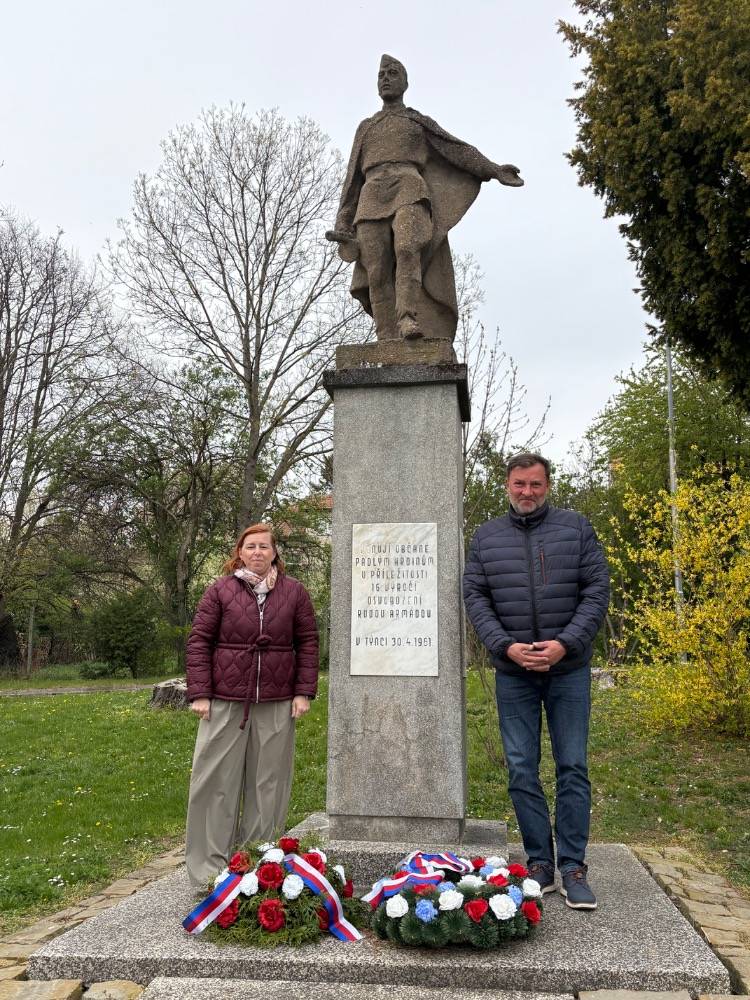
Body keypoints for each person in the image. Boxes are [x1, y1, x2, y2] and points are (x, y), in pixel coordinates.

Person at [462, 453, 609, 909]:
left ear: (548, 486)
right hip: (513, 672)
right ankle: (539, 863)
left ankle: (573, 867)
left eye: (536, 485)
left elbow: (596, 589)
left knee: (572, 766)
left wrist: (565, 643)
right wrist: (504, 645)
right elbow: (475, 594)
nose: (527, 492)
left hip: (568, 669)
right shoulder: (487, 537)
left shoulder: (576, 528)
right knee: (522, 768)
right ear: (507, 484)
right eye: (520, 484)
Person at [326, 54, 523, 341]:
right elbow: (352, 179)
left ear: (405, 83)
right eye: (381, 74)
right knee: (377, 268)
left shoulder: (417, 122)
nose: (385, 78)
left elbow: (457, 149)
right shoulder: (366, 127)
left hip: (409, 187)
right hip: (371, 195)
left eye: (392, 73)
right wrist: (343, 220)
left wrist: (492, 169)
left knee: (407, 248)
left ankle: (407, 318)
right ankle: (386, 334)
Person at [184, 523, 318, 888]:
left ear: (275, 553)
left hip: (276, 702)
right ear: (239, 552)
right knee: (215, 784)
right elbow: (199, 642)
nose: (257, 552)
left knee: (268, 784)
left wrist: (303, 691)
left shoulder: (294, 593)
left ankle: (260, 864)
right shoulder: (220, 591)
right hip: (226, 701)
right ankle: (209, 873)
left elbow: (307, 643)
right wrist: (200, 692)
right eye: (250, 546)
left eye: (264, 546)